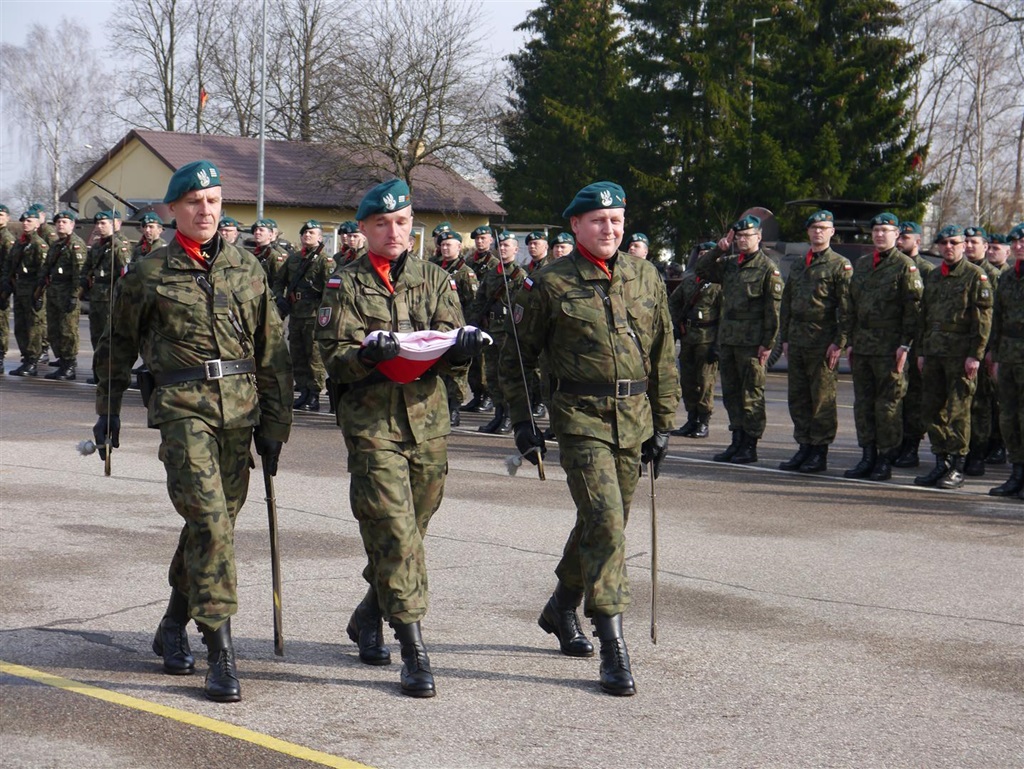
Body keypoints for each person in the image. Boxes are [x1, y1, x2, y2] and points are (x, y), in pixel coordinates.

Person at [92, 160, 293, 702]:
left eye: (213, 201)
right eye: (193, 203)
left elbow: (272, 351)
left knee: (214, 527)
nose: (205, 211)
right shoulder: (149, 274)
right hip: (183, 410)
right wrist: (107, 409)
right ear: (172, 210)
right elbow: (116, 345)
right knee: (210, 523)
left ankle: (170, 624)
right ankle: (220, 652)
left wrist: (276, 423)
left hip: (241, 414)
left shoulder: (249, 269)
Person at [502, 181, 680, 697]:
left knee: (604, 523)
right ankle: (613, 647)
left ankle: (560, 607)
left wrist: (664, 422)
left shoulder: (646, 275)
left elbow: (664, 351)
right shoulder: (549, 283)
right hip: (579, 417)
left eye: (617, 220)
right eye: (599, 220)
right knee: (605, 521)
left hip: (635, 418)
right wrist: (521, 420)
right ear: (575, 225)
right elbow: (516, 357)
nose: (610, 228)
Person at [315, 178, 484, 698]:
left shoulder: (436, 279)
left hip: (428, 423)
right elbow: (333, 358)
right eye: (383, 223)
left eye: (403, 222)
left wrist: (464, 349)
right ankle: (412, 647)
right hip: (372, 426)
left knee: (412, 530)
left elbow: (449, 342)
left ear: (414, 226)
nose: (395, 231)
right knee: (396, 533)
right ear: (364, 229)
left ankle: (368, 615)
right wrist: (367, 354)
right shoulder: (344, 284)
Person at [695, 215, 784, 464]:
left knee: (752, 393)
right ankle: (736, 440)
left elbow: (773, 311)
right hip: (730, 340)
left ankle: (750, 444)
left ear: (759, 237)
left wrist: (768, 343)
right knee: (732, 394)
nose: (744, 240)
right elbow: (701, 270)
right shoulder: (730, 264)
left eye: (748, 235)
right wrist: (718, 250)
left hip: (752, 343)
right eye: (740, 236)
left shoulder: (768, 268)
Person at [914, 225, 992, 489]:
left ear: (963, 245)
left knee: (958, 411)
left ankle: (958, 466)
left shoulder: (975, 276)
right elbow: (924, 318)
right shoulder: (934, 277)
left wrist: (975, 355)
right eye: (944, 243)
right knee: (930, 410)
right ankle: (941, 462)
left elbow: (982, 322)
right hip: (934, 353)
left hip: (960, 356)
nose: (949, 247)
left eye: (954, 243)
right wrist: (922, 351)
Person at [845, 213, 923, 480]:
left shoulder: (905, 266)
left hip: (890, 349)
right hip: (864, 346)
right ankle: (867, 455)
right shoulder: (864, 264)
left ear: (896, 235)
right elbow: (851, 306)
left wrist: (905, 345)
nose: (880, 235)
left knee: (888, 406)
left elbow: (913, 311)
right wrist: (850, 341)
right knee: (863, 404)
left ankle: (885, 459)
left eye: (886, 231)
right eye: (876, 230)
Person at [777, 211, 852, 473]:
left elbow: (846, 308)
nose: (818, 232)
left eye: (823, 228)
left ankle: (819, 452)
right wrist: (784, 337)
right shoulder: (799, 264)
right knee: (798, 398)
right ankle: (804, 447)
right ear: (808, 232)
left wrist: (839, 342)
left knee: (821, 399)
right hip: (797, 340)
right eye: (814, 228)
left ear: (832, 232)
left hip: (822, 341)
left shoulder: (840, 265)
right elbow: (787, 303)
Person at [273, 220, 335, 412]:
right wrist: (279, 297)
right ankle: (304, 393)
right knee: (298, 355)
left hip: (314, 315)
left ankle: (314, 394)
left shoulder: (325, 261)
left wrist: (325, 314)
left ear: (320, 237)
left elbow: (330, 291)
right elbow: (278, 281)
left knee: (313, 356)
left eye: (312, 233)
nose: (307, 236)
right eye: (305, 233)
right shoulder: (293, 260)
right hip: (296, 313)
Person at [470, 229, 526, 434]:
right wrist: (475, 321)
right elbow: (480, 300)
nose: (503, 248)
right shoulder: (492, 274)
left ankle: (510, 417)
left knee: (507, 376)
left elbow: (524, 307)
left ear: (516, 249)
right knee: (491, 375)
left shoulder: (520, 276)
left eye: (507, 245)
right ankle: (498, 414)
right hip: (491, 330)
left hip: (508, 332)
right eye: (500, 245)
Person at [668, 241, 721, 439]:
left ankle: (704, 421)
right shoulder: (690, 281)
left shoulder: (718, 285)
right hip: (689, 338)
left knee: (705, 382)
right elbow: (673, 302)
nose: (703, 257)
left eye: (708, 253)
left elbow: (724, 315)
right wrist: (676, 324)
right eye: (701, 254)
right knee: (688, 381)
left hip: (707, 340)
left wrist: (717, 345)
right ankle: (691, 419)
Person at [892, 221, 935, 468]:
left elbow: (926, 311)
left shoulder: (927, 270)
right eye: (899, 236)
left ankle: (911, 446)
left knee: (914, 397)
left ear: (917, 241)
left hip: (916, 343)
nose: (900, 241)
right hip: (895, 340)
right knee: (895, 396)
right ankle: (896, 443)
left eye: (905, 238)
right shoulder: (895, 266)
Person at [987, 223, 1024, 497]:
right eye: (1016, 243)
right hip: (1010, 355)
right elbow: (997, 320)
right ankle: (1017, 473)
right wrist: (996, 356)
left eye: (1023, 242)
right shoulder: (1008, 278)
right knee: (1009, 417)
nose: (1019, 246)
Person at [963, 226, 1002, 476]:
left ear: (985, 246)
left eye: (974, 242)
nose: (968, 246)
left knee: (981, 405)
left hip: (984, 349)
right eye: (966, 242)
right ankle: (965, 451)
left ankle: (979, 452)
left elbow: (996, 318)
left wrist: (991, 351)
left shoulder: (993, 275)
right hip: (960, 348)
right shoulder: (964, 272)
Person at [81, 211, 132, 384]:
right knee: (96, 336)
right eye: (98, 223)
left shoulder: (119, 246)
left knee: (110, 338)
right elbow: (87, 268)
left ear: (113, 224)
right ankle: (98, 372)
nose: (100, 227)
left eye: (104, 223)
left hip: (111, 298)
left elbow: (126, 274)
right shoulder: (96, 246)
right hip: (96, 297)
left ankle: (111, 374)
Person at [435, 228, 479, 425]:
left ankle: (454, 409)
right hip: (438, 325)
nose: (445, 248)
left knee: (456, 371)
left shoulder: (465, 273)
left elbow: (473, 302)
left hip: (458, 326)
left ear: (459, 247)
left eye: (449, 245)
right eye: (442, 245)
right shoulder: (435, 268)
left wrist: (468, 328)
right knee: (438, 367)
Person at [37, 210, 87, 380]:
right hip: (53, 293)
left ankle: (70, 365)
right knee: (54, 329)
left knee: (68, 330)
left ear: (72, 225)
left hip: (67, 294)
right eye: (58, 222)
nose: (60, 224)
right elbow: (47, 267)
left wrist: (75, 296)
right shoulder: (57, 245)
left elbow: (79, 274)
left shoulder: (76, 244)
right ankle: (62, 360)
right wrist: (40, 288)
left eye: (65, 222)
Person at [4, 210, 50, 376]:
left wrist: (39, 293)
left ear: (37, 224)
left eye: (30, 221)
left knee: (33, 327)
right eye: (23, 221)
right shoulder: (19, 243)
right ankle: (26, 357)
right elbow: (11, 265)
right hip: (19, 289)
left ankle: (33, 361)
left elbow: (44, 271)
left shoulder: (39, 244)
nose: (25, 223)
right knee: (21, 326)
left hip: (32, 289)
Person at [251, 218, 289, 283]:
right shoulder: (254, 252)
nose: (257, 232)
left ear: (270, 235)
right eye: (255, 230)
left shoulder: (274, 255)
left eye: (261, 230)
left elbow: (279, 281)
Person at [0, 204, 14, 363]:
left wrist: (6, 286)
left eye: (1, 215)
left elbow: (9, 265)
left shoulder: (7, 239)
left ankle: (0, 356)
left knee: (1, 323)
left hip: (1, 284)